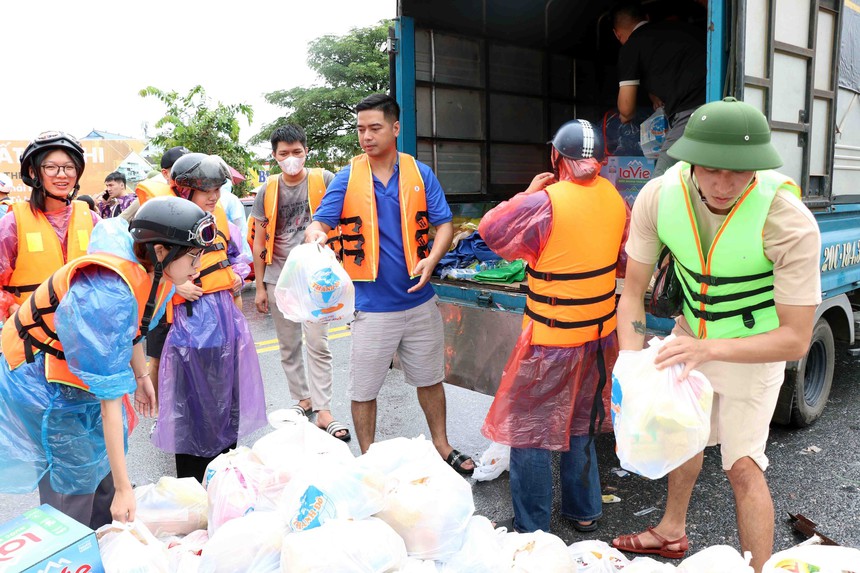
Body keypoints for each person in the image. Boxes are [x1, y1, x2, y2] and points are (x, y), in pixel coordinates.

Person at [610, 97, 820, 573]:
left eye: (739, 171)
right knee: (683, 437)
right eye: (710, 169)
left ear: (759, 167)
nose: (723, 184)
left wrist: (709, 349)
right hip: (691, 337)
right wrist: (630, 366)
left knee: (741, 464)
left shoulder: (787, 219)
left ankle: (760, 568)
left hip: (753, 348)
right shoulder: (659, 196)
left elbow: (796, 339)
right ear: (689, 160)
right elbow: (633, 291)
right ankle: (670, 531)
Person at [0, 196, 215, 527]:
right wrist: (124, 487)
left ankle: (102, 542)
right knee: (72, 482)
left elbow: (134, 329)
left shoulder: (154, 269)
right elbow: (109, 401)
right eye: (192, 256)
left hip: (80, 368)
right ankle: (67, 556)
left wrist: (142, 377)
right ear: (161, 251)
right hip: (41, 378)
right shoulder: (105, 293)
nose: (197, 266)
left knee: (98, 466)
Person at [305, 93, 475, 474]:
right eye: (361, 129)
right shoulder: (348, 177)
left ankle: (443, 445)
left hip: (418, 301)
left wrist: (433, 259)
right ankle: (368, 460)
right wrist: (315, 234)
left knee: (430, 380)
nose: (366, 136)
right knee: (364, 391)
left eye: (375, 128)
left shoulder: (419, 173)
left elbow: (443, 223)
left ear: (395, 129)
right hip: (370, 306)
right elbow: (321, 221)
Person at [479, 120, 628, 533]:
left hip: (551, 339)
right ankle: (584, 511)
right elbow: (624, 258)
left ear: (555, 158)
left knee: (530, 431)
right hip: (599, 336)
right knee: (581, 421)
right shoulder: (615, 199)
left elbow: (492, 231)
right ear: (598, 161)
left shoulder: (544, 203)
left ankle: (532, 527)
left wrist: (528, 192)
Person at [151, 153, 267, 482]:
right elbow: (146, 278)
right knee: (193, 410)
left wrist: (236, 276)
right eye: (206, 191)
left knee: (225, 404)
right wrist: (174, 289)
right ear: (185, 192)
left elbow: (236, 257)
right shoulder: (166, 226)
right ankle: (193, 485)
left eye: (217, 189)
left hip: (225, 327)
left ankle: (225, 480)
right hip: (188, 333)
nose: (214, 196)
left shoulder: (218, 223)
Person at [251, 124, 347, 441]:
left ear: (306, 151)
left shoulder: (324, 180)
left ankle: (323, 410)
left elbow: (341, 222)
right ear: (275, 156)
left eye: (296, 152)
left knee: (318, 344)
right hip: (280, 276)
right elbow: (260, 239)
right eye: (283, 153)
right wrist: (261, 285)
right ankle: (301, 399)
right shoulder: (268, 189)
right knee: (288, 345)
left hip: (317, 279)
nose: (290, 158)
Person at [0, 131, 99, 320]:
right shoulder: (12, 224)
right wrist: (12, 308)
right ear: (33, 172)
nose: (62, 175)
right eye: (51, 167)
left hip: (83, 334)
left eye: (70, 167)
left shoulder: (92, 219)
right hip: (31, 336)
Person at [612, 0, 706, 177]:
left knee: (660, 183)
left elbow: (626, 111)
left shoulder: (631, 46)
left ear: (617, 35)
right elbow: (672, 66)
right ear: (646, 18)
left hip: (692, 111)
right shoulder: (679, 28)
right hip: (718, 100)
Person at [127, 145, 191, 403]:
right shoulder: (148, 203)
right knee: (157, 356)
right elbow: (128, 241)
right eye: (181, 172)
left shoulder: (202, 204)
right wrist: (175, 285)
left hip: (191, 299)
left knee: (187, 358)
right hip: (159, 294)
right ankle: (155, 409)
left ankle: (182, 409)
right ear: (166, 174)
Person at [120, 146, 190, 223]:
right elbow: (122, 220)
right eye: (180, 170)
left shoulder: (200, 193)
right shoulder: (151, 196)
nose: (188, 174)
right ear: (165, 174)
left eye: (191, 169)